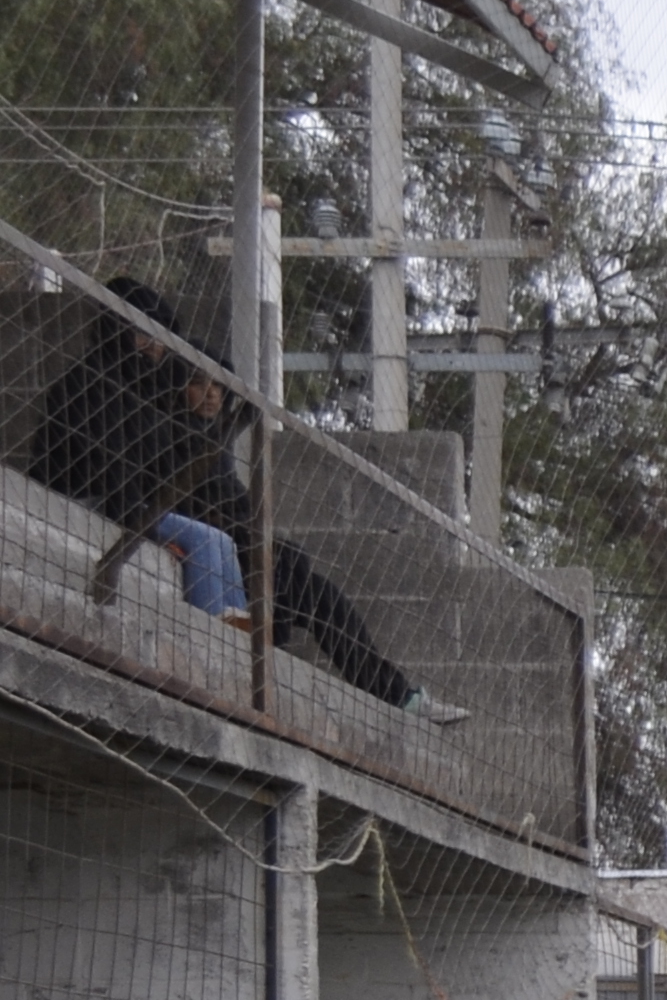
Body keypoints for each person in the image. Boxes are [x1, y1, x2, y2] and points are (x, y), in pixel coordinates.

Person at [17, 278, 461, 722]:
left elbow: (226, 501)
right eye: (139, 332)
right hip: (104, 507)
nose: (210, 394)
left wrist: (264, 543)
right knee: (218, 545)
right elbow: (121, 481)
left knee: (305, 582)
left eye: (157, 333)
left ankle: (398, 696)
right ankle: (227, 672)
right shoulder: (98, 387)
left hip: (172, 519)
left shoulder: (185, 421)